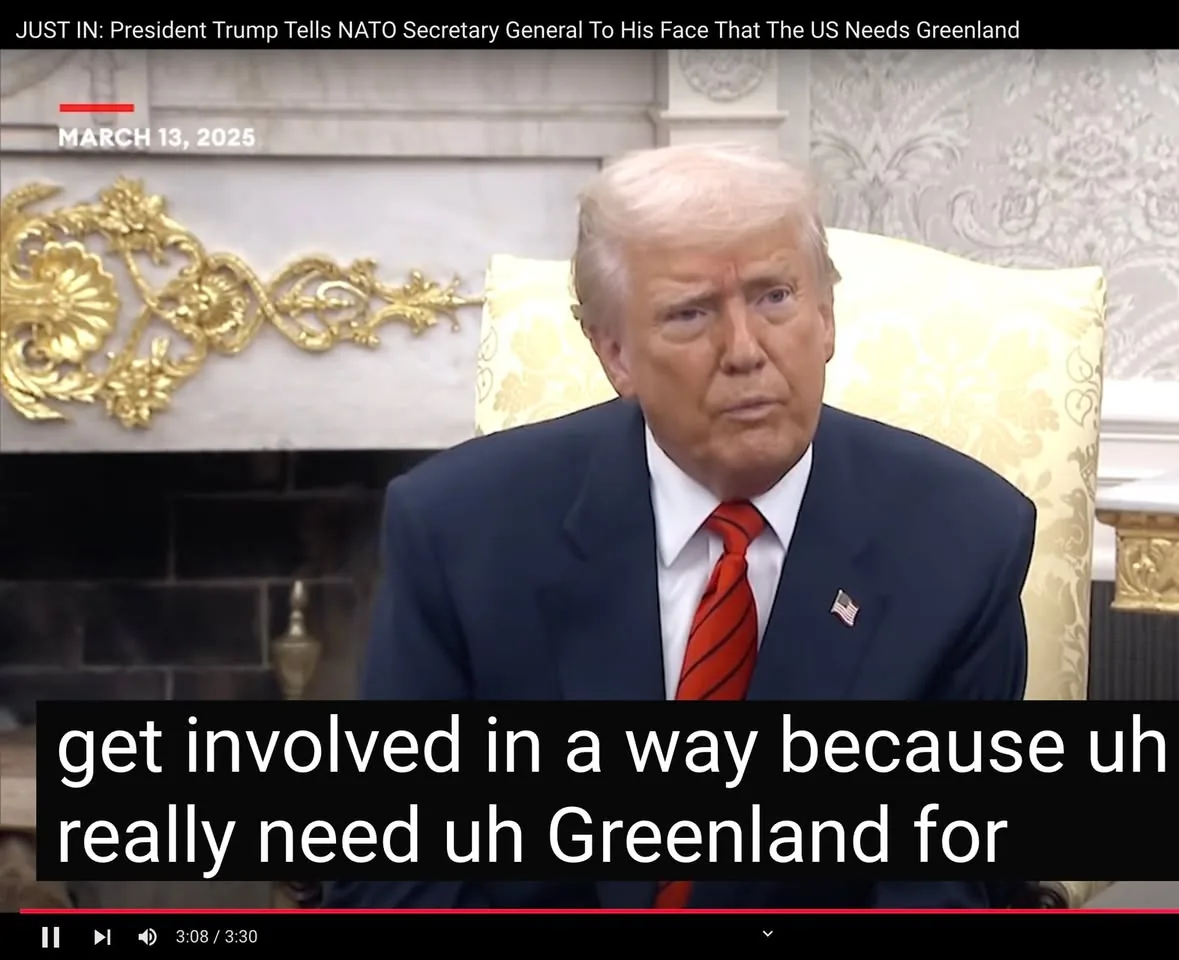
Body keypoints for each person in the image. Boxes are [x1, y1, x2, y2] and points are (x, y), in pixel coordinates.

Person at [327, 143, 1037, 910]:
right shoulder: (459, 533)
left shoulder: (963, 543)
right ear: (615, 354)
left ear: (826, 317)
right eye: (690, 313)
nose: (744, 352)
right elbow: (396, 878)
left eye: (774, 298)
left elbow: (948, 882)